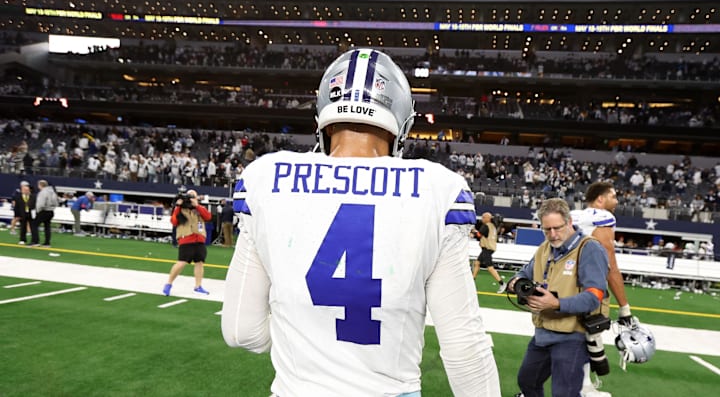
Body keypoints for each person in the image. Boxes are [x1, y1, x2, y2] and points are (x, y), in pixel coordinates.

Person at [222, 48, 501, 396]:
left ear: (323, 115)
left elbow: (240, 330)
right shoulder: (438, 189)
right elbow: (464, 346)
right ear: (402, 122)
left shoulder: (265, 177)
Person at [509, 198, 608, 397]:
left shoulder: (589, 248)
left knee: (564, 393)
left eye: (557, 228)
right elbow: (523, 274)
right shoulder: (544, 248)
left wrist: (556, 303)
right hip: (543, 332)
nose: (553, 235)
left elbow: (594, 297)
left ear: (569, 222)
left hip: (572, 335)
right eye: (547, 230)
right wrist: (515, 283)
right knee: (527, 381)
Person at [570, 181, 636, 397]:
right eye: (613, 196)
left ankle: (579, 385)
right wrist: (624, 306)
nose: (616, 201)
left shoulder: (574, 215)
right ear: (600, 199)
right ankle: (583, 388)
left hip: (564, 282)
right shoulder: (603, 217)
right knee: (589, 335)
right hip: (588, 287)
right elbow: (609, 263)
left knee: (564, 335)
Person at [162, 189, 212, 296]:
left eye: (193, 196)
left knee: (199, 262)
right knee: (182, 262)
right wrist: (178, 206)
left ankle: (198, 286)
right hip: (186, 238)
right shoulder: (180, 209)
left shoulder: (200, 208)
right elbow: (174, 221)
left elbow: (208, 217)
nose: (191, 199)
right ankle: (169, 283)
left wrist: (197, 205)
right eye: (189, 196)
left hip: (199, 238)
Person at [472, 212, 506, 293]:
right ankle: (472, 280)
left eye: (484, 217)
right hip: (489, 248)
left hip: (487, 248)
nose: (482, 219)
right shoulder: (493, 226)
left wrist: (473, 231)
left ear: (488, 218)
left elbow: (479, 235)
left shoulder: (486, 226)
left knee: (490, 267)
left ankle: (502, 283)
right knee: (477, 263)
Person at [30, 180, 59, 247]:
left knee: (34, 224)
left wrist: (37, 211)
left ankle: (35, 241)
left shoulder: (43, 192)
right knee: (47, 226)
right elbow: (56, 202)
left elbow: (41, 203)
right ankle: (47, 243)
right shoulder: (52, 192)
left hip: (43, 211)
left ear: (40, 185)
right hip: (51, 211)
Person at [14, 181, 35, 245]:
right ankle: (22, 239)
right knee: (23, 227)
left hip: (31, 214)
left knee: (33, 227)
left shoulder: (33, 196)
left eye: (27, 190)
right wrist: (17, 215)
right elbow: (16, 207)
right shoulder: (18, 197)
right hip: (22, 214)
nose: (26, 191)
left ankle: (34, 240)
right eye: (25, 190)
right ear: (22, 190)